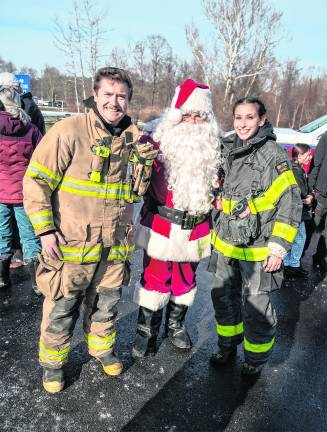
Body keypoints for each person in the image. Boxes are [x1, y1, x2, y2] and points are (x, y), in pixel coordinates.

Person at [23, 67, 157, 393]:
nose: (114, 102)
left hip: (114, 245)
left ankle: (101, 350)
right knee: (62, 305)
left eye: (121, 96)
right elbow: (36, 180)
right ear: (95, 95)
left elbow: (137, 192)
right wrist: (44, 231)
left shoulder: (133, 140)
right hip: (72, 244)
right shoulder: (69, 130)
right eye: (108, 94)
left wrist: (144, 161)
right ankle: (53, 365)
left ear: (128, 100)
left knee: (107, 303)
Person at [208, 97, 302, 376]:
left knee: (256, 308)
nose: (243, 124)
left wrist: (279, 248)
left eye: (250, 117)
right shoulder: (226, 147)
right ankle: (227, 345)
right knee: (222, 299)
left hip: (259, 249)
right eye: (238, 117)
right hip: (225, 244)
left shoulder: (274, 155)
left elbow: (290, 202)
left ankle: (254, 359)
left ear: (262, 120)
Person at [132, 79, 221, 358]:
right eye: (187, 115)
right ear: (175, 114)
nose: (193, 122)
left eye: (199, 116)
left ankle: (176, 325)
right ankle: (146, 332)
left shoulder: (215, 146)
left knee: (185, 280)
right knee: (154, 277)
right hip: (161, 224)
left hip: (195, 226)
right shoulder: (155, 139)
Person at [0, 85, 42, 292]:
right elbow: (41, 159)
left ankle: (2, 278)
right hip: (24, 192)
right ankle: (37, 283)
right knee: (29, 235)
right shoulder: (31, 129)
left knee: (2, 233)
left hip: (0, 192)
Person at [284, 144, 313, 278]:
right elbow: (302, 192)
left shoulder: (294, 168)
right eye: (308, 154)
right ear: (299, 156)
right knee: (299, 238)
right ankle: (292, 265)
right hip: (296, 212)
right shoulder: (296, 171)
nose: (310, 157)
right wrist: (308, 198)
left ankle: (289, 264)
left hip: (293, 210)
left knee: (293, 238)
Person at [306, 131, 327, 271]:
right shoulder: (325, 138)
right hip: (322, 192)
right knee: (312, 225)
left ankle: (320, 257)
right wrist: (311, 189)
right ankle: (294, 260)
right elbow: (316, 164)